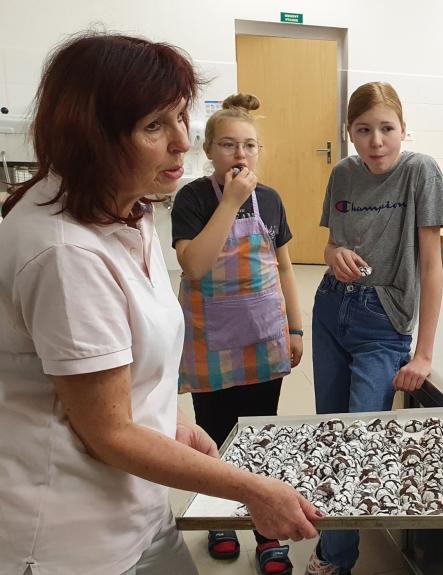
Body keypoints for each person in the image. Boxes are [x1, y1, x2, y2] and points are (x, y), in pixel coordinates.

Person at [0, 32, 320, 575]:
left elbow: (123, 367)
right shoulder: (64, 254)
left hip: (137, 507)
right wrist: (251, 489)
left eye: (179, 118)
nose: (181, 142)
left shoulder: (130, 207)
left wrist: (167, 419)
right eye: (154, 126)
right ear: (92, 138)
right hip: (74, 538)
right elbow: (108, 432)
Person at [307, 81, 443, 575]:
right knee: (331, 436)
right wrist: (334, 254)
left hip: (383, 321)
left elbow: (431, 264)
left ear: (404, 129)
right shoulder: (343, 174)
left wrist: (423, 353)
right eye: (363, 130)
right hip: (331, 309)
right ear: (349, 132)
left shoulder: (420, 172)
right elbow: (331, 244)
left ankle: (332, 558)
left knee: (357, 444)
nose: (376, 141)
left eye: (387, 128)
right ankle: (334, 550)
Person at [171, 93, 303, 574]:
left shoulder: (271, 199)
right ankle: (219, 516)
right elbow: (194, 265)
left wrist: (295, 328)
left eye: (249, 145)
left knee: (260, 435)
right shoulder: (192, 199)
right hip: (210, 343)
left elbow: (284, 268)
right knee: (216, 435)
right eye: (228, 145)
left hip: (263, 337)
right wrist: (230, 201)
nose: (239, 154)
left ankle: (267, 529)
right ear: (208, 150)